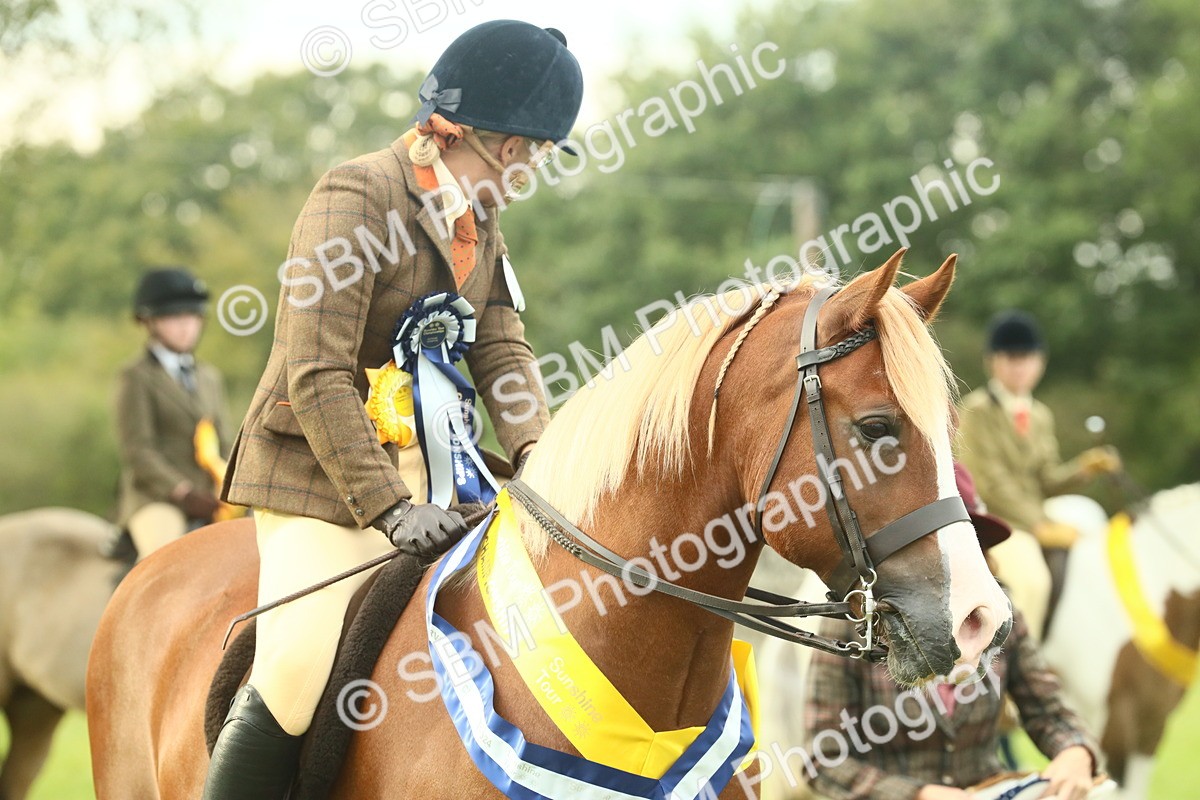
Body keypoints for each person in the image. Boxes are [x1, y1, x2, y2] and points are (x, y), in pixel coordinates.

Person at [203, 20, 584, 800]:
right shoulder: (356, 194)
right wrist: (387, 508)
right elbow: (314, 372)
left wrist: (544, 459)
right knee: (299, 662)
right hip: (317, 477)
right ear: (510, 146)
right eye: (538, 154)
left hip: (440, 478)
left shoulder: (483, 225)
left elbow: (503, 351)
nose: (533, 170)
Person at [802, 463, 1099, 800]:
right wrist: (920, 795)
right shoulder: (853, 623)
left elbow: (1050, 714)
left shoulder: (1003, 613)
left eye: (964, 538)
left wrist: (1077, 753)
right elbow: (822, 762)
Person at [955, 310, 1121, 639]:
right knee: (1033, 581)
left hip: (1034, 518)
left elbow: (1045, 478)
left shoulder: (1040, 415)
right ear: (993, 362)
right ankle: (1013, 666)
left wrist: (1085, 467)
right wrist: (1039, 525)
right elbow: (991, 482)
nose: (1020, 366)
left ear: (1040, 362)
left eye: (1027, 358)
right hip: (998, 522)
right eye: (1011, 358)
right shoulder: (976, 411)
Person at [116, 266, 231, 559]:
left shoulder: (210, 377)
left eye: (192, 317)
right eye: (174, 317)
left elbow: (226, 440)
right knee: (165, 558)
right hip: (157, 499)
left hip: (211, 497)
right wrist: (183, 492)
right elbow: (139, 452)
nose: (186, 326)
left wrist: (232, 487)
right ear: (149, 321)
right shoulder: (136, 377)